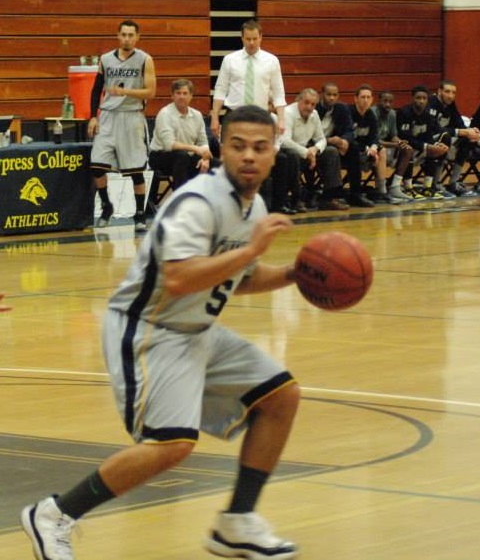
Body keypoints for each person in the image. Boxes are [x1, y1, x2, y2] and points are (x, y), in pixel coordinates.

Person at [21, 105, 301, 560]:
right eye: (238, 146)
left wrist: (294, 273)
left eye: (260, 147)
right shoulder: (198, 202)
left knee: (281, 397)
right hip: (149, 328)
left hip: (196, 329)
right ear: (221, 149)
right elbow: (179, 277)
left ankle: (236, 522)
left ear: (273, 154)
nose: (249, 156)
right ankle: (54, 514)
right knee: (171, 444)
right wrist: (251, 249)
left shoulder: (254, 209)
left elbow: (239, 278)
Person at [88, 19, 156, 232]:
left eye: (131, 35)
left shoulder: (145, 59)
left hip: (131, 115)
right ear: (118, 36)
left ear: (137, 37)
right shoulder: (106, 59)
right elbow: (96, 89)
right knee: (97, 165)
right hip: (108, 116)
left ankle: (139, 214)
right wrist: (93, 116)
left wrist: (126, 92)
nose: (127, 38)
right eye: (123, 34)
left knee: (135, 169)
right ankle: (107, 206)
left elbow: (151, 92)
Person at [211, 19, 286, 137]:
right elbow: (220, 90)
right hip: (234, 115)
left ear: (261, 37)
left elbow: (278, 94)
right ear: (242, 38)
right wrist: (214, 118)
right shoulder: (229, 60)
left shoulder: (272, 61)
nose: (251, 43)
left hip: (260, 116)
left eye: (255, 39)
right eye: (248, 39)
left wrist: (281, 120)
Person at [281, 88, 349, 211]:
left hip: (308, 151)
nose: (309, 107)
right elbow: (285, 141)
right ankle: (296, 199)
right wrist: (306, 152)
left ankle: (328, 198)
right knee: (292, 155)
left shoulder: (314, 114)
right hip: (291, 152)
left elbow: (322, 139)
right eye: (306, 102)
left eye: (313, 104)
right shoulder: (287, 113)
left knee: (331, 152)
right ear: (298, 100)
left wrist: (315, 149)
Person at [315, 82, 375, 207]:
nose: (332, 98)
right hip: (316, 145)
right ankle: (330, 195)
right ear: (321, 95)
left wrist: (344, 141)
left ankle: (355, 194)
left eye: (335, 95)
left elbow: (349, 130)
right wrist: (328, 140)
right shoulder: (315, 108)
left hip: (335, 144)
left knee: (353, 149)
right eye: (328, 94)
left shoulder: (342, 108)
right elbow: (309, 134)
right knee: (332, 150)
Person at [149, 78, 214, 189]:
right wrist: (196, 149)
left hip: (187, 155)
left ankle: (206, 201)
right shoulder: (165, 114)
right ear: (172, 96)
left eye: (185, 93)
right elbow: (169, 145)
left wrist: (205, 159)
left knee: (215, 164)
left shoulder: (197, 115)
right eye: (178, 93)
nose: (181, 96)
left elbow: (203, 142)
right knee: (182, 157)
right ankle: (182, 200)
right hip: (160, 157)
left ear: (191, 96)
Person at [396, 85, 451, 199]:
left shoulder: (429, 114)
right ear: (413, 98)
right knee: (409, 148)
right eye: (418, 98)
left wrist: (435, 145)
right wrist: (427, 146)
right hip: (401, 148)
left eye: (424, 98)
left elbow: (430, 134)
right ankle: (408, 187)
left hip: (420, 147)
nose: (421, 101)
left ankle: (428, 187)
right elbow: (404, 137)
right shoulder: (404, 112)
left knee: (436, 148)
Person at [428, 80, 480, 197]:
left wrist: (471, 131)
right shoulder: (431, 103)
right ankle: (435, 184)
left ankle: (453, 182)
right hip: (428, 139)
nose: (450, 95)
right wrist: (461, 131)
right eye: (447, 92)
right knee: (445, 137)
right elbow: (432, 129)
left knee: (467, 139)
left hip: (443, 138)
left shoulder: (451, 104)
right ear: (439, 91)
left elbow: (459, 123)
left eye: (453, 93)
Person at [349, 84, 391, 202]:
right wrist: (367, 148)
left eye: (368, 97)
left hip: (365, 150)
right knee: (355, 149)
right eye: (363, 97)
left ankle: (381, 191)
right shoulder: (349, 113)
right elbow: (348, 137)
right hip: (350, 151)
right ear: (356, 98)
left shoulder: (371, 115)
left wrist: (373, 147)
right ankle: (356, 193)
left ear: (372, 99)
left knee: (381, 150)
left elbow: (374, 137)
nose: (366, 100)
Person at [371, 90, 414, 203]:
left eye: (390, 102)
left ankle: (395, 186)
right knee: (382, 150)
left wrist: (399, 142)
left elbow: (393, 135)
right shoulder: (372, 113)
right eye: (385, 101)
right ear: (378, 101)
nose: (388, 104)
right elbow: (374, 140)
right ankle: (381, 189)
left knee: (408, 149)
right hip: (374, 147)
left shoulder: (392, 114)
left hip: (387, 146)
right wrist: (394, 145)